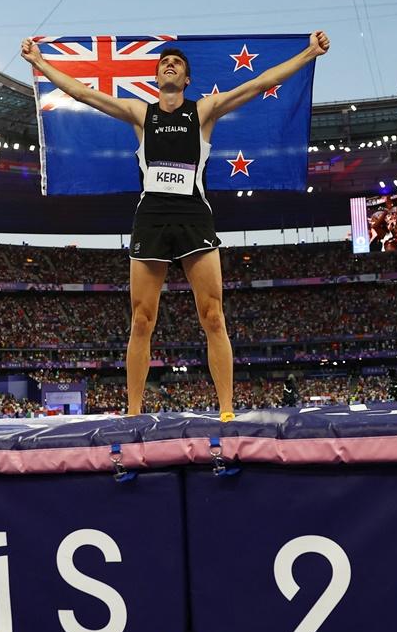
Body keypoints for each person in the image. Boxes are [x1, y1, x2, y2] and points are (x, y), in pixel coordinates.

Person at [21, 31, 331, 420]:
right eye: (163, 62)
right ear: (155, 78)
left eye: (178, 63)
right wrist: (40, 63)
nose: (170, 64)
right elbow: (85, 95)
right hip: (150, 217)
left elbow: (260, 82)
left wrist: (308, 53)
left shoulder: (203, 111)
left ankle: (226, 411)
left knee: (214, 316)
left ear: (186, 80)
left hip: (193, 216)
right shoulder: (140, 114)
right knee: (141, 319)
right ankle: (133, 413)